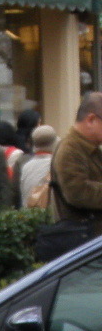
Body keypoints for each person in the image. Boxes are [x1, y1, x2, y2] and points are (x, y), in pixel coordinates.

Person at [48, 94, 102, 231]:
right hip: (83, 240)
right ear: (91, 120)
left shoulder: (91, 148)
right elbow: (77, 192)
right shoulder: (70, 150)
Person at [17, 124, 58, 209]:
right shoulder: (57, 165)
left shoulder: (26, 167)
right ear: (54, 143)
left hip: (29, 216)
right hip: (51, 217)